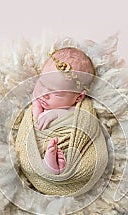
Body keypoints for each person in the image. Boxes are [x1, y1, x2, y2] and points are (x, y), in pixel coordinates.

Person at [31, 47, 95, 175]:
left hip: (66, 143)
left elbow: (83, 121)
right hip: (40, 146)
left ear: (78, 97)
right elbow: (35, 123)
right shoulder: (40, 100)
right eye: (43, 84)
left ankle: (58, 166)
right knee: (35, 154)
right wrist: (36, 107)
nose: (44, 94)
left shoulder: (75, 109)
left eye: (57, 93)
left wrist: (57, 113)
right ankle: (51, 165)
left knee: (68, 157)